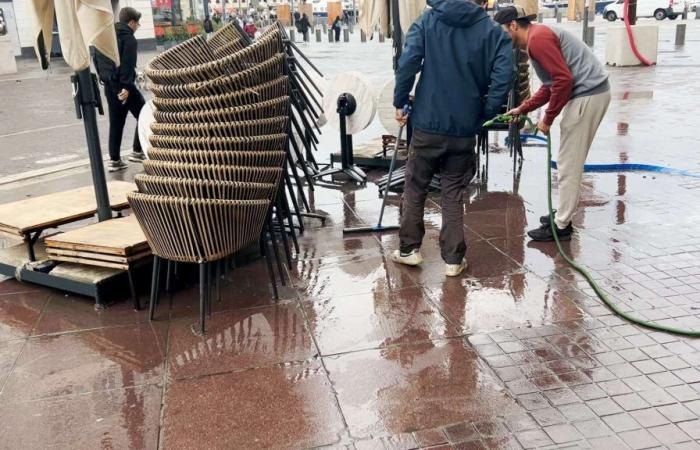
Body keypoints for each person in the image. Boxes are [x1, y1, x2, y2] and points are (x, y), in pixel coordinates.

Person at [391, 0, 514, 276]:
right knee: (453, 193)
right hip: (463, 127)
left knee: (415, 186)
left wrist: (400, 100)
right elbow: (504, 76)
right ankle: (453, 260)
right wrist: (485, 113)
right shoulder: (494, 32)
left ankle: (409, 250)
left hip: (426, 124)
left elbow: (408, 61)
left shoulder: (428, 21)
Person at [494, 6, 610, 242]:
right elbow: (550, 85)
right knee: (568, 160)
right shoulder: (537, 36)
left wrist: (547, 119)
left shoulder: (538, 40)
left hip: (588, 95)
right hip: (589, 93)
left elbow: (563, 81)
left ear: (513, 26)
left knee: (568, 163)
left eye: (503, 31)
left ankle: (562, 225)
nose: (502, 37)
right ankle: (563, 215)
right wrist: (523, 108)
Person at [94, 7, 145, 172]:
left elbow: (97, 59)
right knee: (144, 113)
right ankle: (137, 151)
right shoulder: (128, 38)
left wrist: (107, 80)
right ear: (131, 22)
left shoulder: (105, 35)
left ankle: (115, 160)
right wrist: (127, 86)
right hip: (125, 87)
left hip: (109, 86)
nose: (137, 27)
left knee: (116, 122)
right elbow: (128, 65)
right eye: (137, 24)